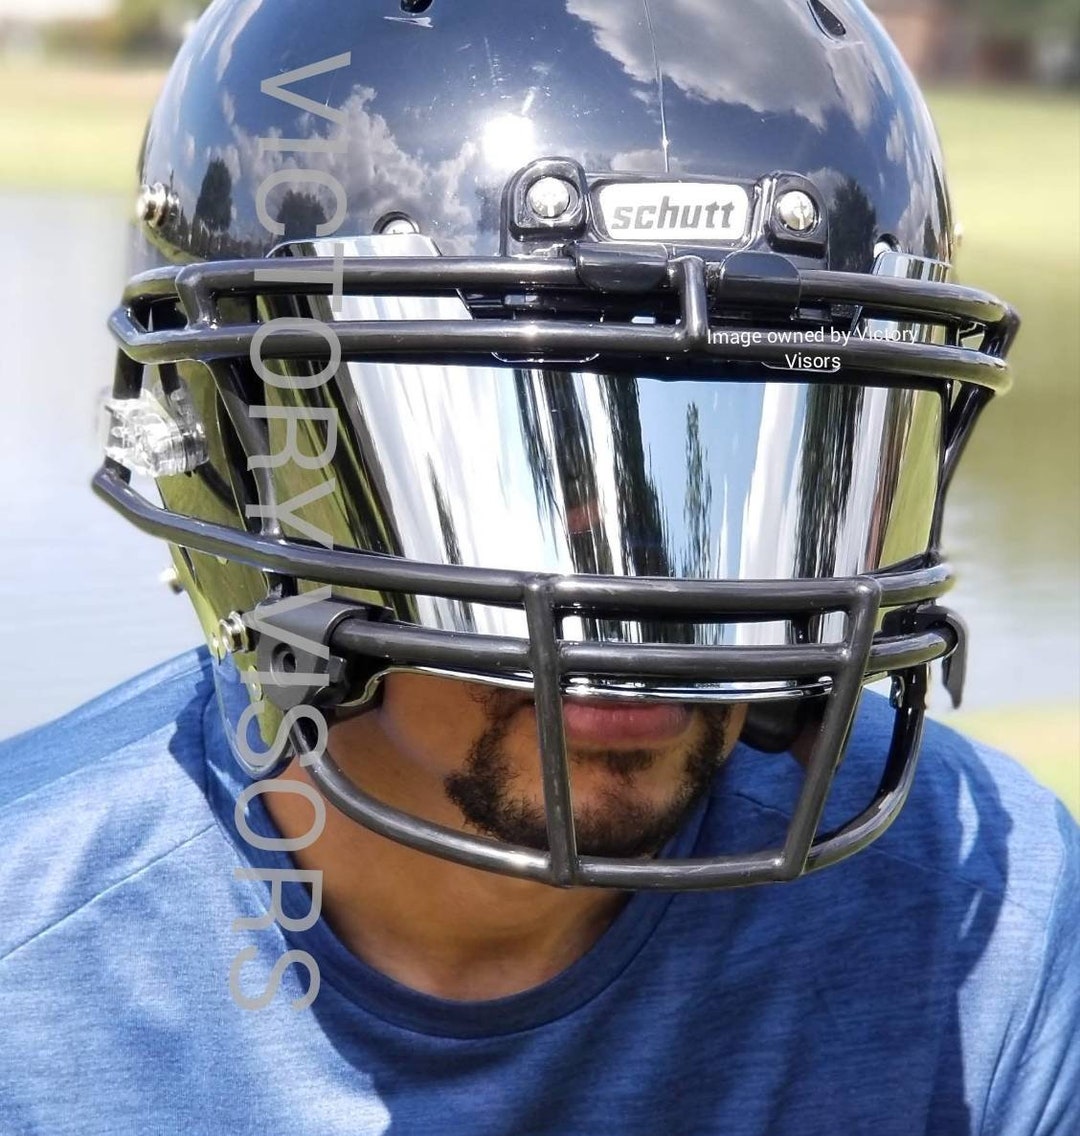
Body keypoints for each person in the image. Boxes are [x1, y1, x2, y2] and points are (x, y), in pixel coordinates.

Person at [1, 1, 1076, 1133]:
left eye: (743, 457)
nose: (632, 607)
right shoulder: (36, 952)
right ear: (248, 459)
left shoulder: (983, 910)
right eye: (511, 462)